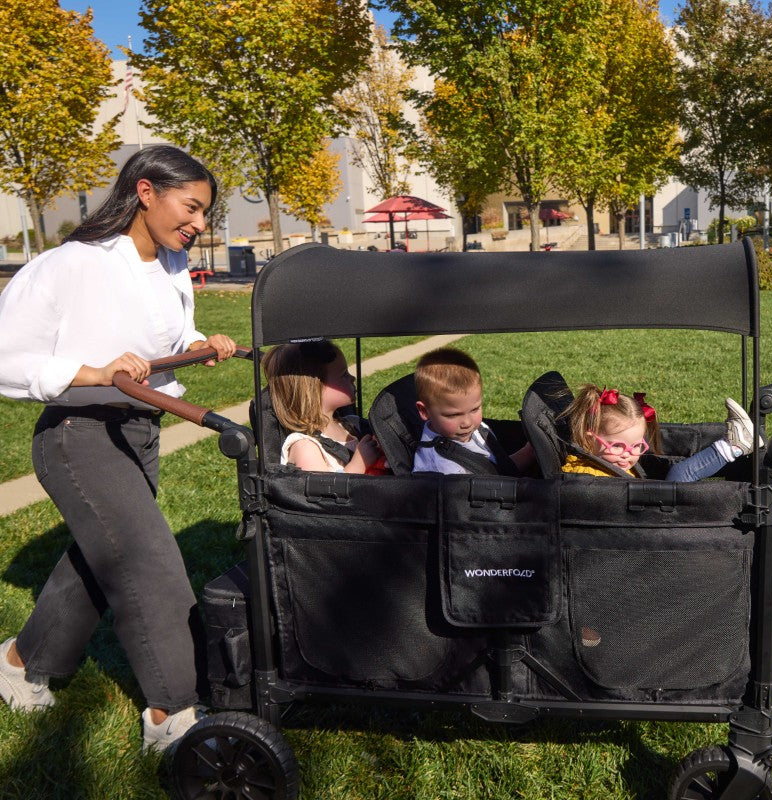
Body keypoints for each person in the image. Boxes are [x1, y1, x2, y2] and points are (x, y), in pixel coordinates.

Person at [0, 145, 238, 754]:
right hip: (80, 433)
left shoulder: (172, 262)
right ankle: (175, 713)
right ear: (146, 191)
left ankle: (21, 661)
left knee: (97, 561)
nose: (199, 223)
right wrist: (95, 372)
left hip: (140, 431)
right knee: (147, 562)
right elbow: (7, 359)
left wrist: (199, 342)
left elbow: (167, 332)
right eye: (192, 207)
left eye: (205, 212)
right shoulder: (69, 264)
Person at [560, 384, 755, 480]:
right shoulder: (585, 476)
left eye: (637, 446)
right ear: (590, 436)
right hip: (646, 525)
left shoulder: (602, 462)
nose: (628, 454)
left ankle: (734, 445)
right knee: (680, 475)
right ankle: (733, 447)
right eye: (617, 446)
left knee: (678, 473)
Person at [262, 339, 384, 473]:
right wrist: (358, 465)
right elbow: (323, 492)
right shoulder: (305, 447)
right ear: (314, 390)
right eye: (344, 374)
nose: (352, 378)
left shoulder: (353, 426)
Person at [411, 347, 533, 475]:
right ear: (424, 411)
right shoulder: (443, 468)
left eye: (475, 409)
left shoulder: (474, 429)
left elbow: (497, 469)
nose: (467, 423)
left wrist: (528, 452)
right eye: (453, 415)